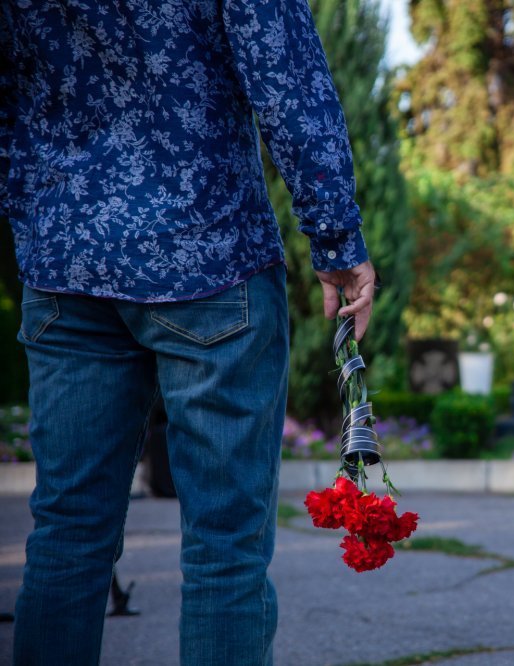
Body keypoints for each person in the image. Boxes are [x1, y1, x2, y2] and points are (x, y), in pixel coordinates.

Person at [0, 0, 376, 663]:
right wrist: (337, 241)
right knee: (225, 548)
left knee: (67, 534)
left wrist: (36, 216)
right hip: (212, 258)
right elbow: (285, 78)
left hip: (68, 264)